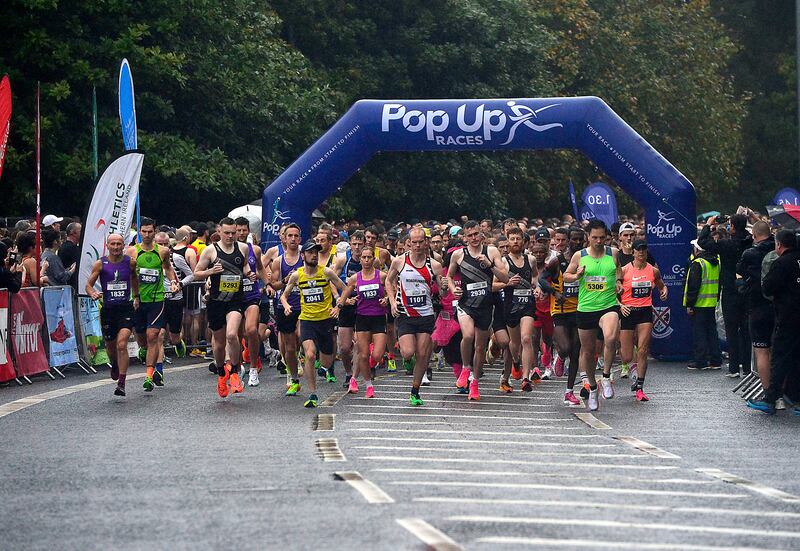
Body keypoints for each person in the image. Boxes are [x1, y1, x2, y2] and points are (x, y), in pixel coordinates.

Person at [563, 219, 622, 411]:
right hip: (586, 308)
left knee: (611, 338)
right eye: (595, 237)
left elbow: (619, 271)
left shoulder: (613, 253)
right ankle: (593, 387)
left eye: (602, 238)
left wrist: (619, 282)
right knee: (588, 352)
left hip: (608, 306)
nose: (598, 241)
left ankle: (605, 377)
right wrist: (577, 276)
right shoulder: (579, 256)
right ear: (588, 237)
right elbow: (566, 276)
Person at [280, 239, 347, 408]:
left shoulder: (326, 272)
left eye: (316, 253)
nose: (314, 255)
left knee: (326, 361)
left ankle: (324, 368)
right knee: (309, 354)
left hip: (325, 321)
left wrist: (338, 306)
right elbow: (283, 295)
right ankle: (312, 394)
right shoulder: (297, 275)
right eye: (310, 252)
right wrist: (287, 305)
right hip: (307, 320)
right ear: (303, 255)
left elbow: (345, 288)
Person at [447, 220, 509, 401]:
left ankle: (474, 381)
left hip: (485, 305)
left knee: (480, 347)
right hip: (466, 304)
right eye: (470, 235)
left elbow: (505, 278)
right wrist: (453, 289)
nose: (474, 238)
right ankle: (465, 368)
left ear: (481, 234)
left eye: (476, 234)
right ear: (465, 238)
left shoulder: (491, 251)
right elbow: (449, 276)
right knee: (467, 336)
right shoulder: (458, 255)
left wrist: (490, 265)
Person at [386, 227, 446, 406]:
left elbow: (442, 294)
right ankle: (407, 362)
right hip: (405, 313)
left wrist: (443, 286)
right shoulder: (399, 262)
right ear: (409, 243)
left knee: (422, 354)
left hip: (426, 314)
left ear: (426, 242)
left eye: (421, 242)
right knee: (407, 352)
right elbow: (388, 281)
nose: (418, 245)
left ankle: (415, 390)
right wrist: (392, 301)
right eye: (414, 242)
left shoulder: (434, 265)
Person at [194, 217, 253, 398]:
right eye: (226, 233)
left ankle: (235, 372)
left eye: (233, 233)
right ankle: (221, 374)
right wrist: (211, 271)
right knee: (219, 345)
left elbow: (245, 267)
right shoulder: (211, 251)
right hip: (216, 301)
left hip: (235, 299)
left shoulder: (242, 248)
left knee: (231, 335)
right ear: (219, 232)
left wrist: (250, 274)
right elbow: (197, 273)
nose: (230, 236)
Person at [747, 230, 800, 415]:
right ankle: (796, 398)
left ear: (779, 245)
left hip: (787, 317)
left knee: (780, 358)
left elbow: (767, 287)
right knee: (796, 358)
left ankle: (770, 399)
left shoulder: (781, 263)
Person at [698, 214, 752, 376]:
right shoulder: (750, 242)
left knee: (732, 330)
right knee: (746, 330)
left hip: (730, 291)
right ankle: (747, 367)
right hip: (748, 290)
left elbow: (702, 243)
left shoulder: (725, 244)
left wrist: (708, 225)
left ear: (732, 227)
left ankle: (734, 367)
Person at [127, 218, 178, 391]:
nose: (147, 235)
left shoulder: (162, 251)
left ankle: (149, 375)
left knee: (153, 336)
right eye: (144, 231)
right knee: (142, 338)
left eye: (150, 231)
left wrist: (172, 282)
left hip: (157, 299)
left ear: (154, 232)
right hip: (139, 300)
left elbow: (168, 268)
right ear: (139, 232)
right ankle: (143, 350)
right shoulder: (131, 252)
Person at [85, 234, 138, 396]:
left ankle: (121, 383)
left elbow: (134, 278)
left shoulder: (130, 262)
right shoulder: (101, 264)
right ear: (107, 245)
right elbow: (88, 285)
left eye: (119, 244)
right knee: (110, 346)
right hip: (108, 310)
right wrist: (92, 293)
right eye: (113, 244)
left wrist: (136, 296)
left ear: (124, 245)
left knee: (122, 344)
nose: (116, 247)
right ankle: (115, 362)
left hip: (125, 308)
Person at [619, 239, 668, 401]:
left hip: (645, 312)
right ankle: (632, 366)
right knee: (626, 356)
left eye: (644, 250)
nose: (641, 253)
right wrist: (620, 305)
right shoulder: (625, 270)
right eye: (638, 250)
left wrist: (664, 291)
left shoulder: (653, 271)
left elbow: (661, 285)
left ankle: (640, 387)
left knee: (643, 350)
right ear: (633, 252)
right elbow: (612, 292)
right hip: (628, 312)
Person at [337, 246, 388, 398]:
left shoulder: (382, 276)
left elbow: (393, 290)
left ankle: (364, 372)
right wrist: (339, 306)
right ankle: (368, 385)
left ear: (374, 259)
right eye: (363, 258)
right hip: (362, 318)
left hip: (378, 317)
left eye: (369, 257)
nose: (366, 260)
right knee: (363, 355)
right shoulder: (355, 278)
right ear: (360, 260)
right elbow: (344, 294)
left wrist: (386, 299)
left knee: (377, 355)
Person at [542, 227, 583, 405]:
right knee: (566, 348)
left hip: (580, 309)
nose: (576, 242)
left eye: (578, 239)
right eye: (572, 239)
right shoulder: (557, 260)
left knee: (575, 352)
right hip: (559, 309)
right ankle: (559, 355)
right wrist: (554, 292)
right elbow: (542, 279)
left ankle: (569, 391)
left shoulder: (586, 259)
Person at [499, 226, 539, 392]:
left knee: (526, 339)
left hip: (528, 305)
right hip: (511, 306)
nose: (515, 242)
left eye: (518, 239)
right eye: (512, 239)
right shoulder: (503, 262)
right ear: (508, 242)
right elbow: (493, 284)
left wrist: (536, 287)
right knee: (514, 344)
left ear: (523, 241)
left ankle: (525, 377)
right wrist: (508, 283)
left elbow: (536, 275)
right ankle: (516, 362)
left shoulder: (530, 260)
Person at [736, 221, 775, 384]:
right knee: (776, 349)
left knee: (761, 350)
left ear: (755, 236)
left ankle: (768, 392)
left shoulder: (751, 253)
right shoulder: (778, 249)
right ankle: (782, 390)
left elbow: (739, 269)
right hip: (779, 304)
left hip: (757, 304)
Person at [235, 217, 269, 386]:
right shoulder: (229, 250)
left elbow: (261, 269)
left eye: (244, 230)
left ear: (248, 231)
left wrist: (268, 284)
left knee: (251, 330)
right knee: (236, 334)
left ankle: (254, 369)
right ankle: (239, 366)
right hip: (234, 297)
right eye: (238, 230)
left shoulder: (254, 250)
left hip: (252, 296)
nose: (241, 233)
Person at [270, 223, 304, 395]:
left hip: (304, 305)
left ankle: (299, 360)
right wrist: (285, 281)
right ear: (284, 238)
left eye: (296, 236)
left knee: (300, 335)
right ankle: (292, 375)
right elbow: (273, 285)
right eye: (289, 236)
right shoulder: (279, 261)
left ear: (300, 238)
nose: (292, 239)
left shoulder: (305, 258)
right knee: (290, 347)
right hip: (285, 306)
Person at [333, 230, 367, 387]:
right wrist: (338, 298)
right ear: (350, 244)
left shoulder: (369, 261)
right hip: (346, 305)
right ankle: (348, 372)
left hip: (363, 305)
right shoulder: (342, 260)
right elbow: (330, 279)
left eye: (360, 244)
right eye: (354, 244)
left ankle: (354, 377)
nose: (357, 248)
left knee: (361, 345)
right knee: (345, 348)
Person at [683, 240, 722, 371]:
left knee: (699, 333)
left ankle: (701, 361)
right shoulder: (715, 262)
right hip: (711, 303)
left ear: (697, 249)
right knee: (711, 332)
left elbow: (693, 287)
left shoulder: (698, 263)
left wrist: (689, 304)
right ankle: (715, 360)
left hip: (699, 303)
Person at [58, 222, 81, 289]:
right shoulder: (68, 248)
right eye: (80, 230)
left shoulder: (69, 247)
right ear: (72, 232)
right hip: (70, 285)